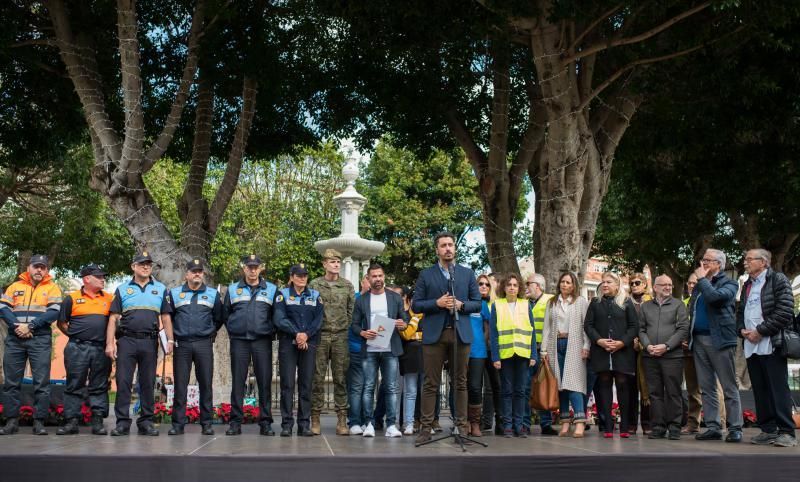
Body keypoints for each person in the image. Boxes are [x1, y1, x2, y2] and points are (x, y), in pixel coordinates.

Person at [412, 232, 482, 445]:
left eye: (450, 245)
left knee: (460, 382)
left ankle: (461, 428)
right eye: (443, 245)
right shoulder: (426, 274)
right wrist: (437, 303)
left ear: (455, 248)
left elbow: (477, 303)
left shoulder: (467, 274)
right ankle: (425, 428)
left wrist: (461, 305)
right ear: (437, 250)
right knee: (430, 383)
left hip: (460, 333)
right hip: (435, 335)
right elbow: (416, 305)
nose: (448, 249)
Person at [107, 251, 173, 436]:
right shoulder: (122, 289)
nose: (146, 267)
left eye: (149, 264)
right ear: (133, 266)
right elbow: (113, 318)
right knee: (123, 381)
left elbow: (166, 317)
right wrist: (109, 344)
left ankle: (146, 422)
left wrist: (170, 340)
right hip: (126, 340)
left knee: (147, 383)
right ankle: (122, 423)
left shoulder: (161, 288)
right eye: (142, 263)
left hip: (149, 341)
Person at [737, 249, 797, 447]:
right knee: (761, 389)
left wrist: (760, 331)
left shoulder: (778, 280)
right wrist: (742, 330)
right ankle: (768, 429)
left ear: (763, 262)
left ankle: (787, 431)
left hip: (771, 343)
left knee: (777, 389)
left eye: (749, 259)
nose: (745, 262)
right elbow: (740, 311)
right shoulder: (747, 284)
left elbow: (785, 311)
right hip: (751, 345)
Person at [0, 254, 63, 436]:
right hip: (15, 338)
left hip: (40, 338)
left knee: (41, 383)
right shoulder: (15, 286)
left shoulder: (52, 288)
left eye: (43, 267)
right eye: (36, 266)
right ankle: (11, 422)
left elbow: (54, 312)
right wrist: (17, 326)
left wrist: (30, 326)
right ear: (29, 267)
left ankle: (39, 422)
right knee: (11, 382)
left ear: (46, 270)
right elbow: (3, 308)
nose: (39, 270)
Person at [163, 258, 223, 436]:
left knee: (206, 384)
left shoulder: (213, 294)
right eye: (194, 271)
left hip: (204, 344)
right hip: (182, 344)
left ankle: (206, 423)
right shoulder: (174, 293)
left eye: (200, 271)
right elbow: (169, 318)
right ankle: (178, 424)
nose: (197, 274)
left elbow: (219, 318)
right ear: (186, 274)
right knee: (180, 384)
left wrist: (210, 332)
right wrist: (172, 339)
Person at [689, 248, 743, 442]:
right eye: (703, 259)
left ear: (718, 264)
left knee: (729, 386)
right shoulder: (699, 286)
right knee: (706, 387)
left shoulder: (730, 283)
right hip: (699, 341)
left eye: (708, 260)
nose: (703, 263)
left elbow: (715, 299)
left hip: (719, 341)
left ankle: (735, 427)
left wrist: (702, 280)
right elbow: (693, 309)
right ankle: (713, 426)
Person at [54, 264, 114, 436]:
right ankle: (71, 422)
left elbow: (114, 322)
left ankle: (97, 423)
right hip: (77, 348)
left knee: (100, 385)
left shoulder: (109, 299)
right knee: (74, 385)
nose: (103, 279)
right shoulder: (71, 298)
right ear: (87, 279)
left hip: (100, 349)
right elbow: (62, 323)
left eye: (103, 276)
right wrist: (75, 336)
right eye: (99, 276)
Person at [223, 254, 278, 436]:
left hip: (262, 341)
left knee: (264, 382)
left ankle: (265, 423)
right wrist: (234, 330)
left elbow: (276, 315)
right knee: (238, 382)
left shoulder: (271, 289)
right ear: (244, 268)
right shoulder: (232, 289)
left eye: (256, 267)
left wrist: (269, 330)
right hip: (239, 341)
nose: (253, 270)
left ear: (261, 268)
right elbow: (225, 314)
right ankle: (235, 423)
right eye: (249, 267)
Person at [352, 264, 409, 437]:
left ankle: (391, 425)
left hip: (390, 348)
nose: (378, 279)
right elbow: (354, 324)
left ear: (384, 277)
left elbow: (404, 318)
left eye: (380, 276)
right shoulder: (361, 300)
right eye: (374, 276)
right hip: (369, 349)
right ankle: (368, 423)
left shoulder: (394, 297)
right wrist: (362, 332)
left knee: (391, 387)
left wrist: (403, 323)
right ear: (368, 279)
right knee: (368, 386)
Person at [585, 271, 638, 438]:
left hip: (622, 352)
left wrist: (622, 342)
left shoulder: (627, 302)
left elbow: (633, 327)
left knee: (623, 385)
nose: (605, 285)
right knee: (604, 385)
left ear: (617, 285)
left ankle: (624, 427)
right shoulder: (595, 302)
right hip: (601, 351)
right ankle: (607, 426)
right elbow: (588, 326)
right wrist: (599, 341)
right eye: (603, 282)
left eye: (608, 282)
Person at [309, 249, 355, 436]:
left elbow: (351, 310)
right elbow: (311, 309)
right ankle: (315, 418)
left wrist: (342, 326)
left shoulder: (347, 286)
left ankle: (342, 419)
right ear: (324, 264)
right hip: (320, 336)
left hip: (340, 337)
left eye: (338, 262)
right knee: (317, 378)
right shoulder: (315, 284)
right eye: (333, 261)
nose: (336, 265)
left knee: (341, 378)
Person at [274, 263, 324, 437]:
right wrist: (297, 334)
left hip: (308, 343)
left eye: (305, 275)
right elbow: (279, 319)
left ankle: (304, 424)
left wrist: (305, 335)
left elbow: (318, 320)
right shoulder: (282, 294)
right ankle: (287, 424)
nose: (302, 278)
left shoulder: (315, 296)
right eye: (299, 275)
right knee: (287, 385)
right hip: (289, 344)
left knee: (306, 385)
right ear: (292, 277)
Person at [639, 274, 690, 440]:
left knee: (673, 392)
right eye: (664, 285)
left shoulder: (679, 305)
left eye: (670, 284)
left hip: (672, 356)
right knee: (654, 393)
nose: (668, 287)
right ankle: (658, 427)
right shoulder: (645, 306)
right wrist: (648, 346)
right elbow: (641, 329)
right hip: (650, 356)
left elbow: (683, 329)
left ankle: (675, 426)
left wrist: (666, 346)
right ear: (655, 287)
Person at [541, 272, 590, 438]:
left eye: (568, 282)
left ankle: (580, 421)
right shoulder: (552, 302)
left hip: (574, 345)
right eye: (563, 282)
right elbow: (546, 327)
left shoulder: (580, 302)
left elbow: (586, 326)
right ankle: (565, 422)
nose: (565, 285)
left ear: (574, 285)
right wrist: (544, 350)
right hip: (556, 345)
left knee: (574, 384)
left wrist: (586, 345)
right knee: (560, 386)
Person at [489, 273, 538, 438]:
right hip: (505, 354)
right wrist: (495, 357)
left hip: (523, 354)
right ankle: (507, 426)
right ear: (504, 287)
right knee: (507, 391)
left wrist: (533, 355)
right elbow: (494, 334)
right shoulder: (497, 305)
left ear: (519, 288)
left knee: (521, 391)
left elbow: (531, 331)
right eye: (509, 284)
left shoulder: (526, 305)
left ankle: (520, 426)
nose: (512, 287)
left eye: (515, 285)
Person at [466, 274, 500, 437]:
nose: (484, 286)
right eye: (480, 283)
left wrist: (482, 341)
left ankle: (475, 423)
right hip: (462, 351)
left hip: (479, 351)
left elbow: (488, 327)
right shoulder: (463, 302)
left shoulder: (483, 305)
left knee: (475, 386)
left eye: (487, 284)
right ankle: (462, 422)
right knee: (460, 387)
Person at [526, 273, 556, 436]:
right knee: (525, 387)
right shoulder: (523, 302)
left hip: (543, 350)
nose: (526, 287)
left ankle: (546, 424)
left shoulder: (551, 300)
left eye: (528, 283)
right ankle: (525, 423)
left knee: (544, 386)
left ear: (537, 285)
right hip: (526, 350)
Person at [395, 286, 424, 435]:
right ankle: (404, 423)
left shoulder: (427, 316)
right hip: (407, 356)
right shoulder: (405, 315)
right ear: (409, 300)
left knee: (424, 391)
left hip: (425, 356)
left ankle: (422, 422)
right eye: (415, 299)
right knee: (406, 391)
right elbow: (406, 335)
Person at [346, 272, 371, 434]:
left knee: (367, 386)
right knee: (356, 386)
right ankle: (354, 420)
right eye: (368, 279)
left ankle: (365, 420)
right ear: (362, 282)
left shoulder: (378, 300)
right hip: (355, 348)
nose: (371, 283)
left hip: (373, 349)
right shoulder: (354, 298)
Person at [627, 272, 652, 435]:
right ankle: (630, 424)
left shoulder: (652, 302)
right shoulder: (624, 301)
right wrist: (631, 340)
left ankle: (647, 423)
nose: (634, 286)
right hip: (628, 349)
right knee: (629, 387)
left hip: (647, 349)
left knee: (646, 387)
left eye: (637, 282)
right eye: (631, 283)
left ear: (645, 284)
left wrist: (643, 341)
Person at [681, 273, 703, 434]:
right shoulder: (684, 303)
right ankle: (693, 423)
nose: (691, 286)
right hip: (687, 350)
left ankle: (721, 423)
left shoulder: (705, 300)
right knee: (692, 389)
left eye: (695, 283)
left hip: (705, 349)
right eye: (689, 283)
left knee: (713, 388)